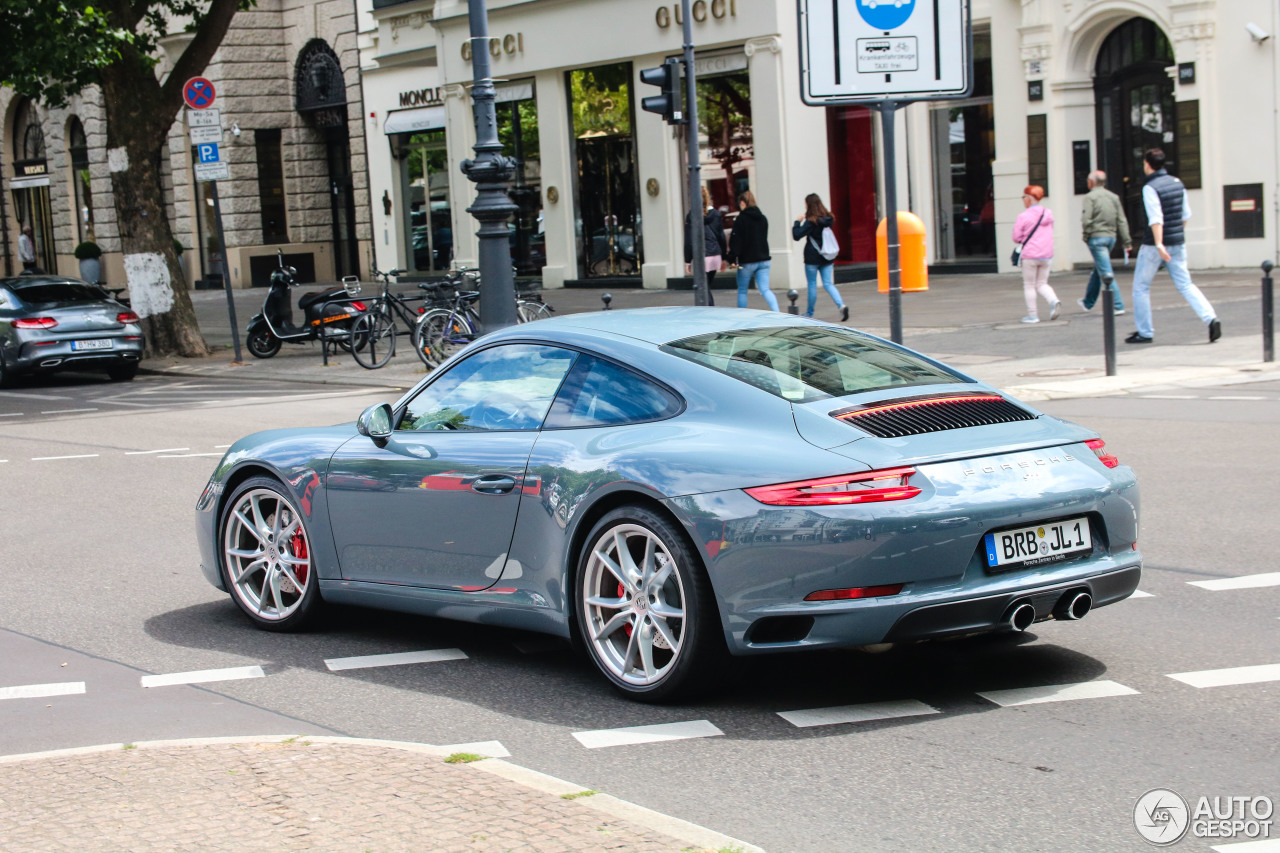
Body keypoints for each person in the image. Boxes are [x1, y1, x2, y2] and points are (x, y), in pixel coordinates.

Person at [1126, 148, 1220, 344]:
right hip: (1178, 242)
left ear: (1147, 164)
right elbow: (1185, 215)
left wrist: (1160, 243)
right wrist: (1175, 234)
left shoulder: (1150, 187)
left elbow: (1155, 217)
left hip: (1154, 246)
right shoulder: (1178, 183)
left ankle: (1145, 332)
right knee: (1186, 284)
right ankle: (1210, 318)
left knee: (1141, 287)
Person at [1078, 170, 1130, 315]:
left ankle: (1118, 305)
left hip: (1096, 237)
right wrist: (1126, 241)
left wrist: (1086, 235)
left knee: (1106, 272)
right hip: (1111, 238)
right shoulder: (1114, 197)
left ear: (1092, 182)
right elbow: (1121, 220)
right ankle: (1087, 302)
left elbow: (1086, 219)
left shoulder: (1090, 197)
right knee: (1099, 270)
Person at [791, 193, 848, 321]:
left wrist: (797, 222)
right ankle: (841, 305)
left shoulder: (811, 221)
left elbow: (797, 235)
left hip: (812, 256)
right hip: (827, 256)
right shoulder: (829, 219)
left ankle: (810, 313)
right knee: (828, 283)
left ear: (809, 205)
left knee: (812, 284)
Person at [1011, 185, 1061, 323]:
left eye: (1023, 197)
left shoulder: (1023, 216)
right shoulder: (1048, 214)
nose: (1023, 200)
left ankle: (1033, 315)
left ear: (1029, 198)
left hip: (1030, 255)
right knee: (1042, 283)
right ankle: (1054, 300)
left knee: (1029, 285)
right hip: (1046, 254)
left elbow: (1016, 237)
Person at [727, 191, 779, 311]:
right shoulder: (763, 218)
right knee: (765, 289)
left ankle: (743, 316)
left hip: (747, 261)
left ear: (743, 203)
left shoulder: (741, 219)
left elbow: (736, 241)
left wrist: (732, 258)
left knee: (742, 291)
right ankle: (777, 313)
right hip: (764, 259)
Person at [685, 186, 726, 306]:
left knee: (704, 288)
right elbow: (721, 237)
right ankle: (708, 311)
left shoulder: (692, 216)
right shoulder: (716, 214)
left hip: (701, 256)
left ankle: (709, 312)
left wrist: (688, 260)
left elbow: (689, 240)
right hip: (715, 255)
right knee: (707, 286)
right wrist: (723, 257)